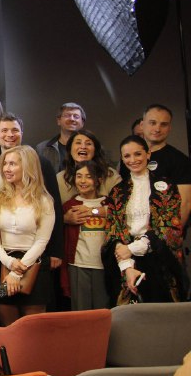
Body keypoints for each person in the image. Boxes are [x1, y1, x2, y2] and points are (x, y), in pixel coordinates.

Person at [103, 135, 183, 305]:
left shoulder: (166, 187)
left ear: (148, 154)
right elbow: (113, 230)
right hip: (128, 262)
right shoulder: (117, 191)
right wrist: (127, 266)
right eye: (127, 156)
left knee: (163, 313)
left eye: (138, 154)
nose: (133, 160)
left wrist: (133, 248)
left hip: (159, 258)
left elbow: (170, 227)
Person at [0, 145, 55, 325]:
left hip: (34, 266)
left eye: (13, 164)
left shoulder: (44, 200)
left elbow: (42, 241)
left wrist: (17, 273)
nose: (6, 169)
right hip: (3, 265)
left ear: (27, 166)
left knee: (33, 331)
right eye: (5, 164)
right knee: (7, 327)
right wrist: (9, 263)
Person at [61, 161, 109, 310]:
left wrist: (93, 211)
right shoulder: (69, 205)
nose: (83, 181)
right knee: (80, 311)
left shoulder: (109, 203)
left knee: (104, 310)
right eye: (79, 176)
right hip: (78, 264)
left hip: (104, 265)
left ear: (98, 180)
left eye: (88, 177)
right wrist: (64, 219)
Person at [139, 104, 191, 226]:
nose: (157, 129)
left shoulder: (180, 160)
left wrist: (172, 234)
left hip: (165, 231)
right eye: (152, 123)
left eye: (164, 124)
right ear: (142, 125)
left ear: (169, 128)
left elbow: (186, 203)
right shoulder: (130, 159)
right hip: (132, 231)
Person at [56, 130, 121, 205]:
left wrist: (100, 210)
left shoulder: (110, 175)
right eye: (78, 143)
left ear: (95, 150)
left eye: (88, 144)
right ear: (70, 149)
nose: (83, 147)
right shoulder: (60, 179)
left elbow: (121, 206)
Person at [36, 102, 86, 173]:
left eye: (76, 116)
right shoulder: (42, 149)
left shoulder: (91, 148)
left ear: (82, 123)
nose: (72, 119)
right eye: (67, 115)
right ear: (58, 121)